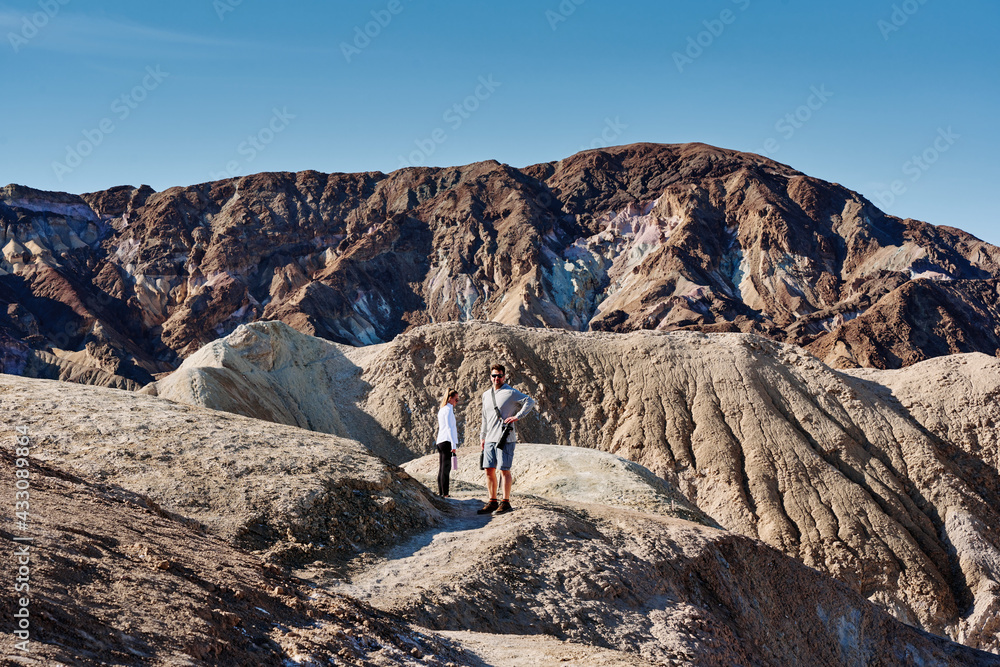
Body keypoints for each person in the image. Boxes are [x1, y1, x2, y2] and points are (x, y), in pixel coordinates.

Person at [477, 364, 536, 515]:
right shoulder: (486, 395)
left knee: (504, 470)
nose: (497, 378)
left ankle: (506, 502)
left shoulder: (510, 392)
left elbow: (530, 402)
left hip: (505, 438)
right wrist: (482, 437)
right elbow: (484, 417)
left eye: (499, 375)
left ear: (504, 377)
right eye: (494, 375)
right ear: (490, 377)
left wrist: (517, 417)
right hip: (490, 438)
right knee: (489, 470)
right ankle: (492, 501)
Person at [435, 389, 460, 497]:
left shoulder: (442, 409)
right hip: (447, 441)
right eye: (456, 399)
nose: (457, 402)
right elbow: (450, 428)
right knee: (446, 468)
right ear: (450, 399)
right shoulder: (449, 410)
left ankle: (442, 493)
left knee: (442, 468)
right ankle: (445, 494)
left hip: (440, 440)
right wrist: (453, 445)